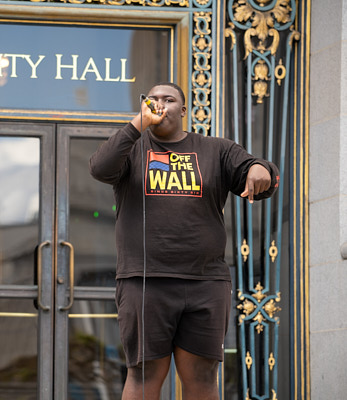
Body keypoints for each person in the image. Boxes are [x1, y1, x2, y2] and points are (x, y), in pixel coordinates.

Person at [89, 82, 279, 400]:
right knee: (144, 376)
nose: (160, 104)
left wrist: (260, 169)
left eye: (169, 99)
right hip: (144, 281)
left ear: (184, 109)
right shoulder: (131, 149)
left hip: (205, 283)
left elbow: (257, 171)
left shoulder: (216, 149)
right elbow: (100, 167)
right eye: (153, 99)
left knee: (203, 378)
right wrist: (138, 124)